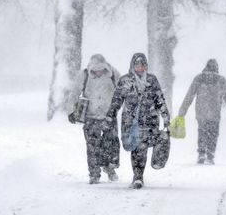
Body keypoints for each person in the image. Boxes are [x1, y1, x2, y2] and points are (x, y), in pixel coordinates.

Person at [105, 53, 170, 189]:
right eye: (137, 66)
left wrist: (165, 116)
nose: (139, 69)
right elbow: (116, 100)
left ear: (146, 66)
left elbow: (159, 99)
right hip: (131, 121)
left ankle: (140, 175)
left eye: (142, 66)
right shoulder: (125, 81)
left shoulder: (152, 80)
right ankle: (138, 176)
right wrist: (110, 115)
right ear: (132, 66)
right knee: (137, 148)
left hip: (150, 120)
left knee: (145, 146)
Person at [67, 54, 121, 184]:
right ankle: (94, 174)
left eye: (101, 70)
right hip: (90, 117)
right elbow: (74, 93)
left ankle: (110, 168)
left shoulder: (113, 74)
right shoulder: (84, 75)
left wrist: (119, 107)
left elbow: (122, 92)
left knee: (111, 145)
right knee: (92, 147)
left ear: (105, 67)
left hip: (109, 116)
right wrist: (71, 111)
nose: (98, 72)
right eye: (95, 70)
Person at [177, 59, 226, 165]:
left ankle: (201, 153)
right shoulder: (221, 80)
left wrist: (182, 111)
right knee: (213, 133)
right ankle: (210, 154)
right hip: (215, 112)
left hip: (201, 112)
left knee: (202, 131)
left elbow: (189, 95)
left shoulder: (199, 78)